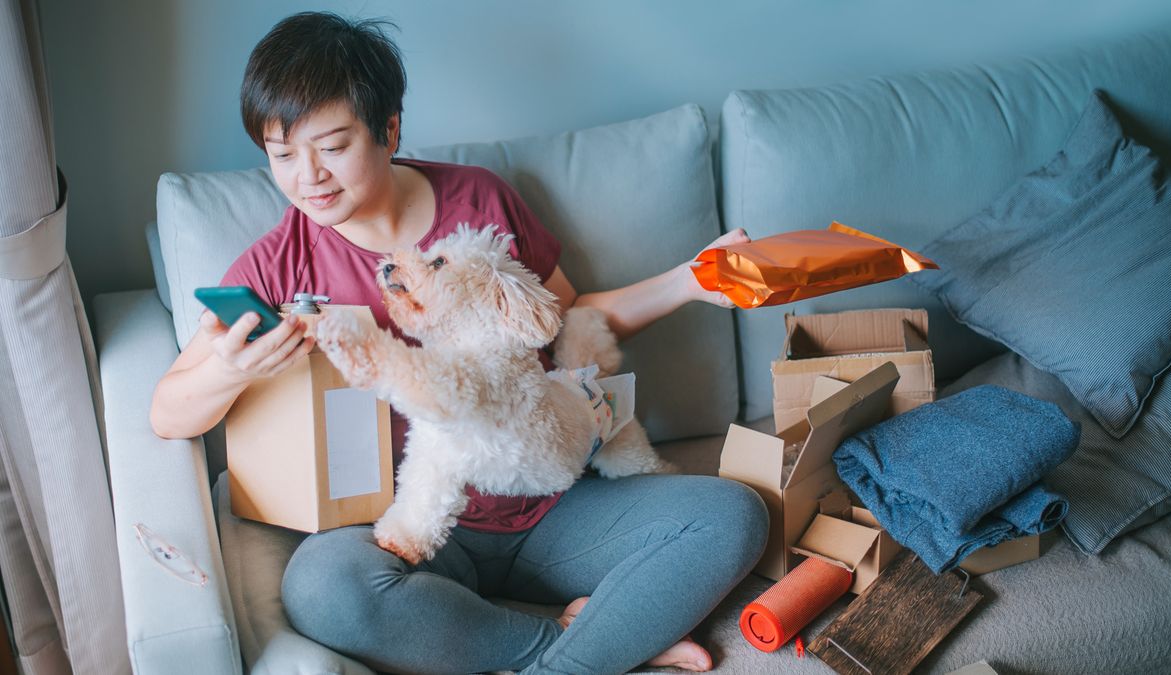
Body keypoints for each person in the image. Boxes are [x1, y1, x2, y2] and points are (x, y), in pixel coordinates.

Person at [150, 11, 768, 674]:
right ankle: (569, 647)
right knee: (321, 585)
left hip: (553, 503)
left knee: (733, 514)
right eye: (282, 154)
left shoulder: (481, 201)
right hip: (412, 527)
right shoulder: (277, 265)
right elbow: (167, 411)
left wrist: (689, 281)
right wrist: (228, 367)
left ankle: (577, 656)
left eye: (331, 146)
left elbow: (569, 318)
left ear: (389, 128)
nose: (309, 177)